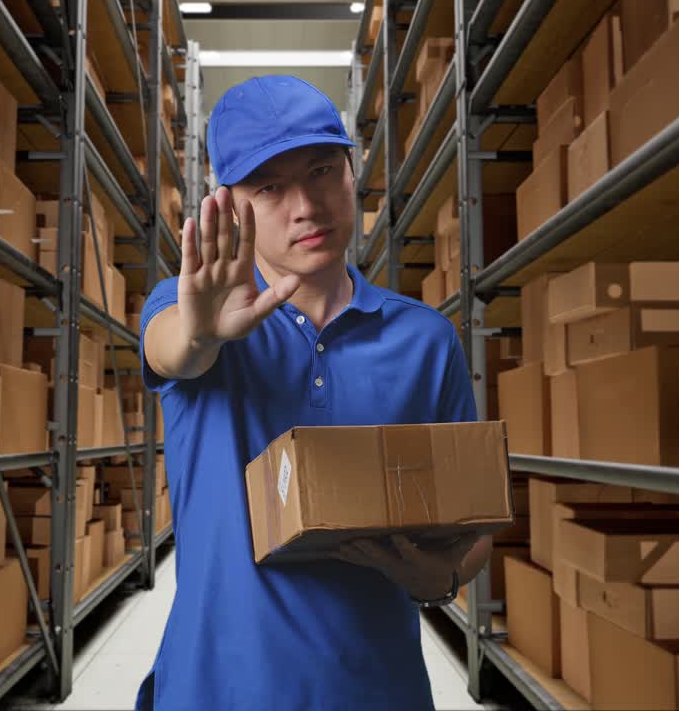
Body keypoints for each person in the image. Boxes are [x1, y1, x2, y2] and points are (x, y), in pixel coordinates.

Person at [136, 75, 494, 711]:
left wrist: (435, 577)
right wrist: (200, 334)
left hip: (377, 691)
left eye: (322, 170)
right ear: (229, 205)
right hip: (217, 691)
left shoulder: (425, 341)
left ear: (352, 174)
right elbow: (174, 349)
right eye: (269, 187)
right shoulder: (193, 311)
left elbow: (473, 525)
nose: (305, 206)